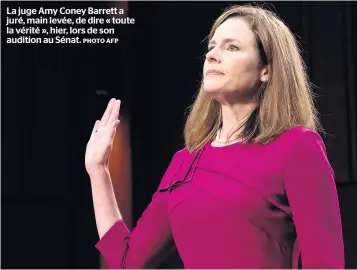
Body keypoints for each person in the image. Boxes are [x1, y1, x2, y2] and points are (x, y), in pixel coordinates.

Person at [85, 4, 344, 269]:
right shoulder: (184, 161)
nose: (213, 56)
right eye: (211, 47)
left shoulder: (297, 147)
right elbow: (128, 262)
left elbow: (325, 263)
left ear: (266, 69)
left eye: (232, 47)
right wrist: (98, 171)